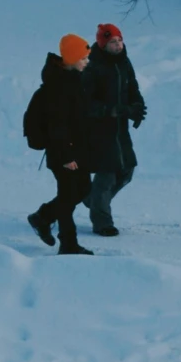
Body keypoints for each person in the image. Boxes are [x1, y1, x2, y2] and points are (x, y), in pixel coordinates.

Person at [24, 34, 102, 256]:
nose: (87, 62)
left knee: (83, 190)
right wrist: (66, 157)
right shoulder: (58, 87)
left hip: (78, 150)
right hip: (64, 154)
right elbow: (57, 126)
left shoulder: (74, 80)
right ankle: (68, 245)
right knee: (68, 197)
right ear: (71, 58)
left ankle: (43, 217)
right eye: (83, 58)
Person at [86, 22, 147, 238]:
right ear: (103, 44)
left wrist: (138, 108)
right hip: (101, 128)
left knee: (126, 170)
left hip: (120, 127)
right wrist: (113, 110)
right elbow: (86, 103)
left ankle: (93, 200)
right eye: (113, 42)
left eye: (120, 40)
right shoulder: (93, 66)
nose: (118, 45)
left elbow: (133, 88)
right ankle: (102, 222)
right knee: (107, 174)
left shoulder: (124, 62)